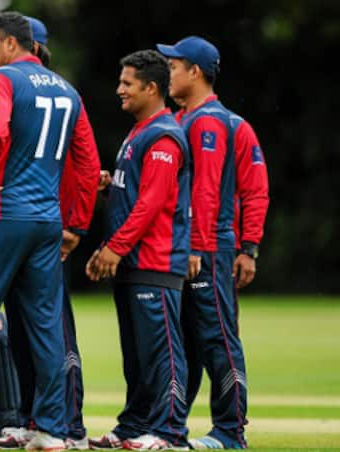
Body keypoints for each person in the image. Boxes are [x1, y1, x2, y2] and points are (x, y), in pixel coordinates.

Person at [0, 12, 93, 451]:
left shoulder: (3, 79)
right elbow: (85, 160)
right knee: (46, 327)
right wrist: (78, 224)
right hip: (48, 222)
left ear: (11, 44)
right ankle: (50, 429)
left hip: (4, 214)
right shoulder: (68, 90)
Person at [0, 15, 101, 451]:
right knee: (28, 328)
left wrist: (76, 225)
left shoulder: (23, 91)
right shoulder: (53, 93)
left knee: (54, 332)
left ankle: (69, 425)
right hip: (45, 224)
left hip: (38, 225)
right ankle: (39, 420)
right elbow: (87, 165)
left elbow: (85, 168)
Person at [157, 35, 269, 450]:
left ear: (195, 71)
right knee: (186, 340)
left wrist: (244, 246)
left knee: (217, 337)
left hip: (205, 249)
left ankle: (229, 431)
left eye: (173, 66)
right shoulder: (184, 120)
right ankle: (172, 428)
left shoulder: (211, 122)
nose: (168, 73)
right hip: (191, 246)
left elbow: (220, 191)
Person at [85, 49, 190, 451]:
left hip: (156, 262)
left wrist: (113, 248)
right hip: (133, 261)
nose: (119, 90)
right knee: (138, 357)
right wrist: (112, 187)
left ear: (151, 87)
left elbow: (153, 202)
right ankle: (134, 425)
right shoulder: (139, 132)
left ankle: (169, 432)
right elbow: (137, 195)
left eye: (127, 83)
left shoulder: (163, 135)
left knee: (162, 353)